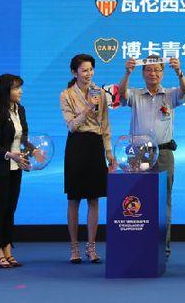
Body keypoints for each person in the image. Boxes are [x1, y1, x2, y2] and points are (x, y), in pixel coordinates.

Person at [118, 55, 185, 258]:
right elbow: (122, 94)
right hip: (139, 154)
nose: (153, 73)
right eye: (149, 70)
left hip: (164, 153)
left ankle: (163, 247)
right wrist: (127, 73)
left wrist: (179, 72)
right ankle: (139, 244)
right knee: (137, 199)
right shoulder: (135, 94)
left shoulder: (170, 94)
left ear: (162, 73)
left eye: (157, 70)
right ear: (143, 73)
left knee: (164, 201)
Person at [0, 74, 42, 268]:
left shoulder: (20, 110)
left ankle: (7, 247)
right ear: (5, 91)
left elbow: (22, 139)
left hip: (16, 167)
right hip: (0, 167)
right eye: (16, 88)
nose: (20, 91)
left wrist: (33, 151)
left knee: (10, 209)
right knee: (0, 208)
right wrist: (10, 155)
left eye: (20, 87)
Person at [60, 54, 115, 264]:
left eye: (91, 69)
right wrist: (87, 109)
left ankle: (91, 247)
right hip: (76, 145)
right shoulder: (66, 95)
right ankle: (74, 247)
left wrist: (109, 152)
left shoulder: (100, 93)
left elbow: (105, 124)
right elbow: (71, 125)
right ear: (74, 73)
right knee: (74, 199)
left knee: (94, 199)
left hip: (95, 145)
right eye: (84, 70)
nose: (88, 74)